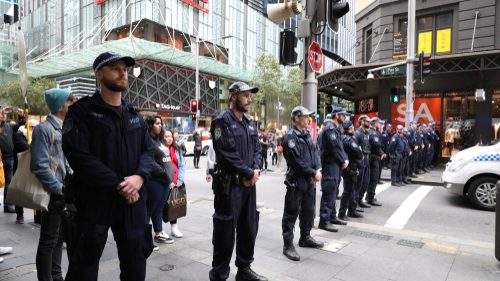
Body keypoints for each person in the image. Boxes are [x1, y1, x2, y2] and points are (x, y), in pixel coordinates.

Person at [62, 52, 155, 281]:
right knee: (83, 267)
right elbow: (79, 157)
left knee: (135, 267)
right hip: (95, 202)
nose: (122, 71)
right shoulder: (81, 112)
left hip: (132, 204)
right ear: (99, 74)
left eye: (124, 67)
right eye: (115, 67)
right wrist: (120, 185)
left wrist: (140, 178)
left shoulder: (133, 115)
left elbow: (149, 151)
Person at [209, 81, 266, 281]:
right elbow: (225, 152)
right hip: (230, 186)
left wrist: (256, 169)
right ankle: (219, 274)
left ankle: (244, 269)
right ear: (234, 97)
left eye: (250, 96)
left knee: (249, 227)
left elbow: (258, 149)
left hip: (249, 186)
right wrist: (248, 173)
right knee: (225, 233)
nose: (250, 100)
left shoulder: (249, 123)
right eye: (245, 95)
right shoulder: (220, 122)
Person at [31, 88, 74, 281]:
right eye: (69, 101)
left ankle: (56, 276)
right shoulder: (44, 129)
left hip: (63, 192)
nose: (72, 104)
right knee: (49, 239)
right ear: (59, 106)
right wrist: (59, 189)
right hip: (52, 193)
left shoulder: (64, 127)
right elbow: (39, 165)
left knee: (58, 238)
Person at [282, 106, 324, 262]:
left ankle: (305, 237)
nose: (309, 119)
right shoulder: (290, 138)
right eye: (306, 117)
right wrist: (313, 173)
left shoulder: (306, 135)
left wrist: (317, 169)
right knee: (291, 213)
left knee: (309, 211)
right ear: (296, 118)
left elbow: (316, 153)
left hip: (309, 181)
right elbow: (297, 161)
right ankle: (288, 245)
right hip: (297, 181)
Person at [317, 108, 349, 233]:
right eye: (343, 115)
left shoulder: (334, 128)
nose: (345, 118)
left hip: (335, 165)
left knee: (334, 192)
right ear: (336, 115)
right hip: (330, 165)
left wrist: (344, 159)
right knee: (329, 191)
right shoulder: (330, 128)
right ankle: (324, 221)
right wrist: (343, 160)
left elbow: (340, 147)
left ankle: (332, 216)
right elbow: (335, 147)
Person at [144, 116, 174, 247]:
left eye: (161, 123)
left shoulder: (159, 141)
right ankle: (145, 239)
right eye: (157, 123)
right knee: (149, 210)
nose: (160, 126)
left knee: (159, 209)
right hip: (155, 181)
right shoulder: (147, 140)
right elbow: (149, 161)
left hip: (165, 182)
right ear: (150, 125)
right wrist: (163, 174)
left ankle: (159, 233)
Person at [13, 119, 40, 224]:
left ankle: (37, 214)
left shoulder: (35, 136)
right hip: (20, 167)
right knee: (19, 191)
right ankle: (20, 214)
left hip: (32, 167)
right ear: (30, 127)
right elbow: (24, 147)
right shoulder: (19, 135)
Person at [338, 120, 364, 220]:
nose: (354, 128)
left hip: (349, 166)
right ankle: (342, 213)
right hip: (349, 167)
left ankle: (351, 210)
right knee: (348, 191)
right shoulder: (348, 139)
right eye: (352, 127)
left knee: (351, 190)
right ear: (350, 128)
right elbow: (359, 154)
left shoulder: (344, 137)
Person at [163, 129, 186, 238]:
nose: (169, 138)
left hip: (176, 182)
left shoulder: (177, 149)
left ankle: (174, 228)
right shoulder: (160, 149)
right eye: (166, 136)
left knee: (174, 205)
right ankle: (159, 230)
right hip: (163, 182)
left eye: (170, 136)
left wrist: (179, 181)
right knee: (161, 206)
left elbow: (182, 165)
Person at [365, 117, 386, 206]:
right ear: (375, 123)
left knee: (372, 179)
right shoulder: (373, 133)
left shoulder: (374, 132)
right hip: (373, 159)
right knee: (373, 179)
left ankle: (369, 196)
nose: (381, 125)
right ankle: (370, 198)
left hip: (373, 158)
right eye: (379, 123)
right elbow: (377, 145)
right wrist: (381, 153)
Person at [0, 107, 16, 214]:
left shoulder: (9, 126)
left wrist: (23, 114)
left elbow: (22, 124)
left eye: (5, 114)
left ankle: (8, 205)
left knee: (9, 183)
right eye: (1, 114)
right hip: (0, 158)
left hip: (10, 158)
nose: (3, 115)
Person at [354, 115, 372, 209]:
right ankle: (355, 203)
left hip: (366, 159)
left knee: (365, 182)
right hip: (360, 160)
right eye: (366, 121)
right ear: (361, 122)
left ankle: (360, 200)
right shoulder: (357, 133)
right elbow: (355, 148)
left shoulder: (366, 133)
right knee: (358, 183)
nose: (368, 123)